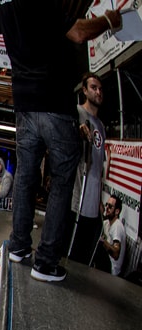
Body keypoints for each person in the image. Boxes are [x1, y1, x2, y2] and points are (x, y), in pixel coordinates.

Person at [0, 2, 122, 282]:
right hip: (53, 100)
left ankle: (18, 246)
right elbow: (79, 32)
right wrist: (108, 19)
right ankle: (45, 263)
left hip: (24, 105)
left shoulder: (0, 4)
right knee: (62, 178)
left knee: (26, 175)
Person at [66, 72, 106, 264]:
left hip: (92, 204)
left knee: (82, 258)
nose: (98, 92)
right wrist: (77, 131)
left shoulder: (101, 126)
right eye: (93, 88)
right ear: (84, 90)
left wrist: (99, 199)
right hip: (76, 198)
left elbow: (99, 166)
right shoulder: (77, 113)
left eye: (100, 88)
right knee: (69, 252)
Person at [96, 195, 126, 276]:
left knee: (99, 244)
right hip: (106, 264)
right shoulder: (107, 223)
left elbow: (116, 254)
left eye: (110, 206)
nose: (107, 208)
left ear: (117, 211)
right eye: (106, 204)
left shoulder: (117, 226)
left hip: (112, 270)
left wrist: (103, 242)